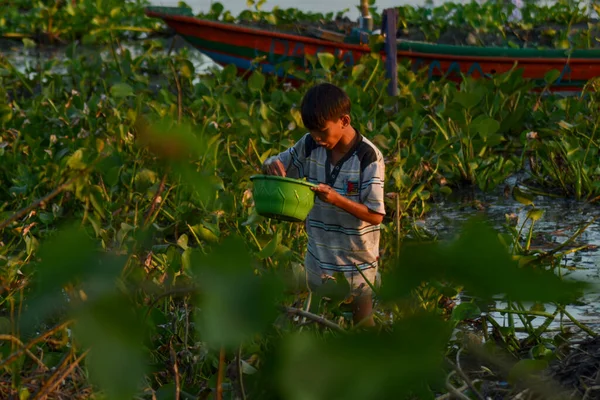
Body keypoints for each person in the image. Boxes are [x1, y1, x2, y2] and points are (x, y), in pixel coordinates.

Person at [262, 82, 386, 326]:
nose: (317, 138)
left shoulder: (368, 157)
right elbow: (279, 162)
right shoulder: (310, 144)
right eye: (312, 132)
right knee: (319, 327)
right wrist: (270, 164)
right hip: (318, 258)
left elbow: (375, 215)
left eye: (322, 131)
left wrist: (337, 199)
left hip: (357, 262)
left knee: (364, 327)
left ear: (344, 121)